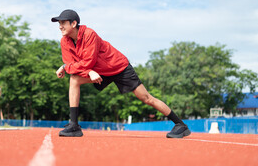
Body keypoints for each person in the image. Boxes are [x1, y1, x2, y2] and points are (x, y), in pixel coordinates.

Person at [51, 9, 191, 138]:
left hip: (118, 66)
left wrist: (75, 68)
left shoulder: (89, 34)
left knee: (147, 98)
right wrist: (67, 66)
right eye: (59, 23)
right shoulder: (65, 41)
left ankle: (181, 125)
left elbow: (88, 61)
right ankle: (74, 125)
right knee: (74, 79)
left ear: (74, 23)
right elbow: (70, 64)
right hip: (97, 70)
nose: (60, 26)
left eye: (63, 23)